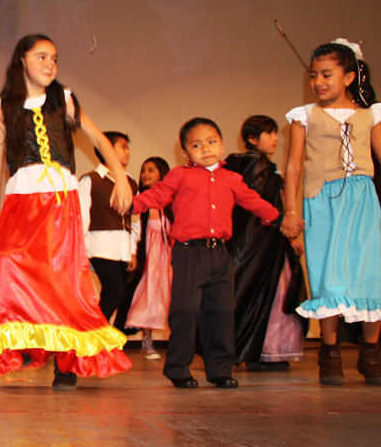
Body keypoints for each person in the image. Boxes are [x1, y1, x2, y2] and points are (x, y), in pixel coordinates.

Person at [0, 34, 133, 390]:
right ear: (22, 59)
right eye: (41, 57)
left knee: (63, 280)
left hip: (59, 200)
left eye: (54, 58)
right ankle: (24, 342)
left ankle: (66, 363)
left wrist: (121, 180)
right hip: (20, 200)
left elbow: (99, 139)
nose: (50, 64)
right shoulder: (3, 106)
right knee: (12, 268)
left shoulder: (62, 99)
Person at [132, 118, 280, 389]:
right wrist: (131, 204)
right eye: (196, 145)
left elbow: (253, 201)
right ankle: (178, 368)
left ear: (222, 146)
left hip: (220, 253)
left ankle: (220, 369)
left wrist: (279, 218)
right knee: (185, 311)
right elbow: (158, 194)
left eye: (211, 142)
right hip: (189, 252)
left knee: (221, 312)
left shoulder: (231, 178)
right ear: (185, 153)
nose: (206, 148)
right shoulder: (180, 175)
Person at [281, 39, 381, 386]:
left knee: (370, 273)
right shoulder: (304, 116)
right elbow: (293, 166)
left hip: (362, 201)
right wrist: (290, 210)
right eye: (313, 75)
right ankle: (330, 353)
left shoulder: (371, 114)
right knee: (327, 277)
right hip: (321, 201)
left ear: (349, 77)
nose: (318, 82)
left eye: (326, 74)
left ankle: (371, 353)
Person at [225, 116, 306, 371]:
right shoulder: (255, 165)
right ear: (252, 139)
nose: (275, 138)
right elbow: (258, 208)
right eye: (269, 133)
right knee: (265, 294)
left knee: (270, 294)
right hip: (257, 241)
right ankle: (262, 351)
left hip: (269, 242)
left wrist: (288, 236)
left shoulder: (263, 168)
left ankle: (263, 351)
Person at [78, 131, 140, 334]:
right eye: (122, 146)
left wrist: (132, 250)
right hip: (99, 247)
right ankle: (91, 335)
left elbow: (135, 220)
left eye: (128, 147)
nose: (128, 151)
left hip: (122, 249)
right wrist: (82, 252)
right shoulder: (91, 180)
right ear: (105, 149)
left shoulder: (131, 183)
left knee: (113, 294)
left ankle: (94, 338)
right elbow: (81, 220)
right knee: (116, 291)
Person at [125, 157, 173, 360]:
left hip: (169, 258)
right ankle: (147, 341)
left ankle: (179, 342)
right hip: (149, 258)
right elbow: (134, 230)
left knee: (170, 297)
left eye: (151, 170)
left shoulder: (173, 200)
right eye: (143, 170)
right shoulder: (140, 200)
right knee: (148, 295)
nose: (145, 173)